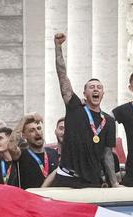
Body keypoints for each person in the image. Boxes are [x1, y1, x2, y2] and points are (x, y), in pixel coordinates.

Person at [49, 32, 119, 188]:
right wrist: (58, 48)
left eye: (99, 87)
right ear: (84, 93)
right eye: (91, 87)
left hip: (92, 180)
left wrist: (114, 183)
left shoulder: (109, 121)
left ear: (103, 93)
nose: (96, 90)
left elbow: (108, 154)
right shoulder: (75, 107)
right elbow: (62, 76)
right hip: (68, 177)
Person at [17, 114, 60, 189]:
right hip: (30, 198)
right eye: (32, 130)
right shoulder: (21, 154)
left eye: (39, 128)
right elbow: (11, 146)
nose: (37, 133)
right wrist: (23, 120)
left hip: (52, 198)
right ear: (24, 136)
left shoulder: (53, 152)